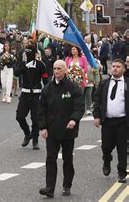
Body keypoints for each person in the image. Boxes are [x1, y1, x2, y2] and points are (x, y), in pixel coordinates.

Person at [38, 60, 84, 198]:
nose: (56, 71)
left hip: (68, 130)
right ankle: (50, 188)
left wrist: (73, 119)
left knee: (67, 158)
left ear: (65, 71)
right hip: (52, 130)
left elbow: (79, 106)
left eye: (59, 69)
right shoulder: (47, 88)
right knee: (50, 158)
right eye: (54, 68)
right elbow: (41, 109)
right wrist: (43, 127)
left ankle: (66, 185)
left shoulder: (73, 87)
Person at [93, 59, 129, 183]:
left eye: (118, 66)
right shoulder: (104, 83)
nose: (115, 68)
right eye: (113, 66)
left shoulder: (127, 83)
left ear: (123, 69)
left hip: (122, 122)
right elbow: (97, 100)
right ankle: (107, 160)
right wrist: (96, 116)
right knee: (106, 147)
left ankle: (121, 172)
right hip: (107, 121)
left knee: (122, 148)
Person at [14, 45, 49, 150]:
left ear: (34, 54)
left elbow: (46, 81)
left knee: (35, 119)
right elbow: (16, 73)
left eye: (29, 52)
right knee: (19, 116)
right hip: (25, 94)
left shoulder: (40, 65)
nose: (27, 54)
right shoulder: (23, 64)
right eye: (26, 52)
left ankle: (35, 140)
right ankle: (27, 133)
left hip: (36, 94)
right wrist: (23, 66)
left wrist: (46, 94)